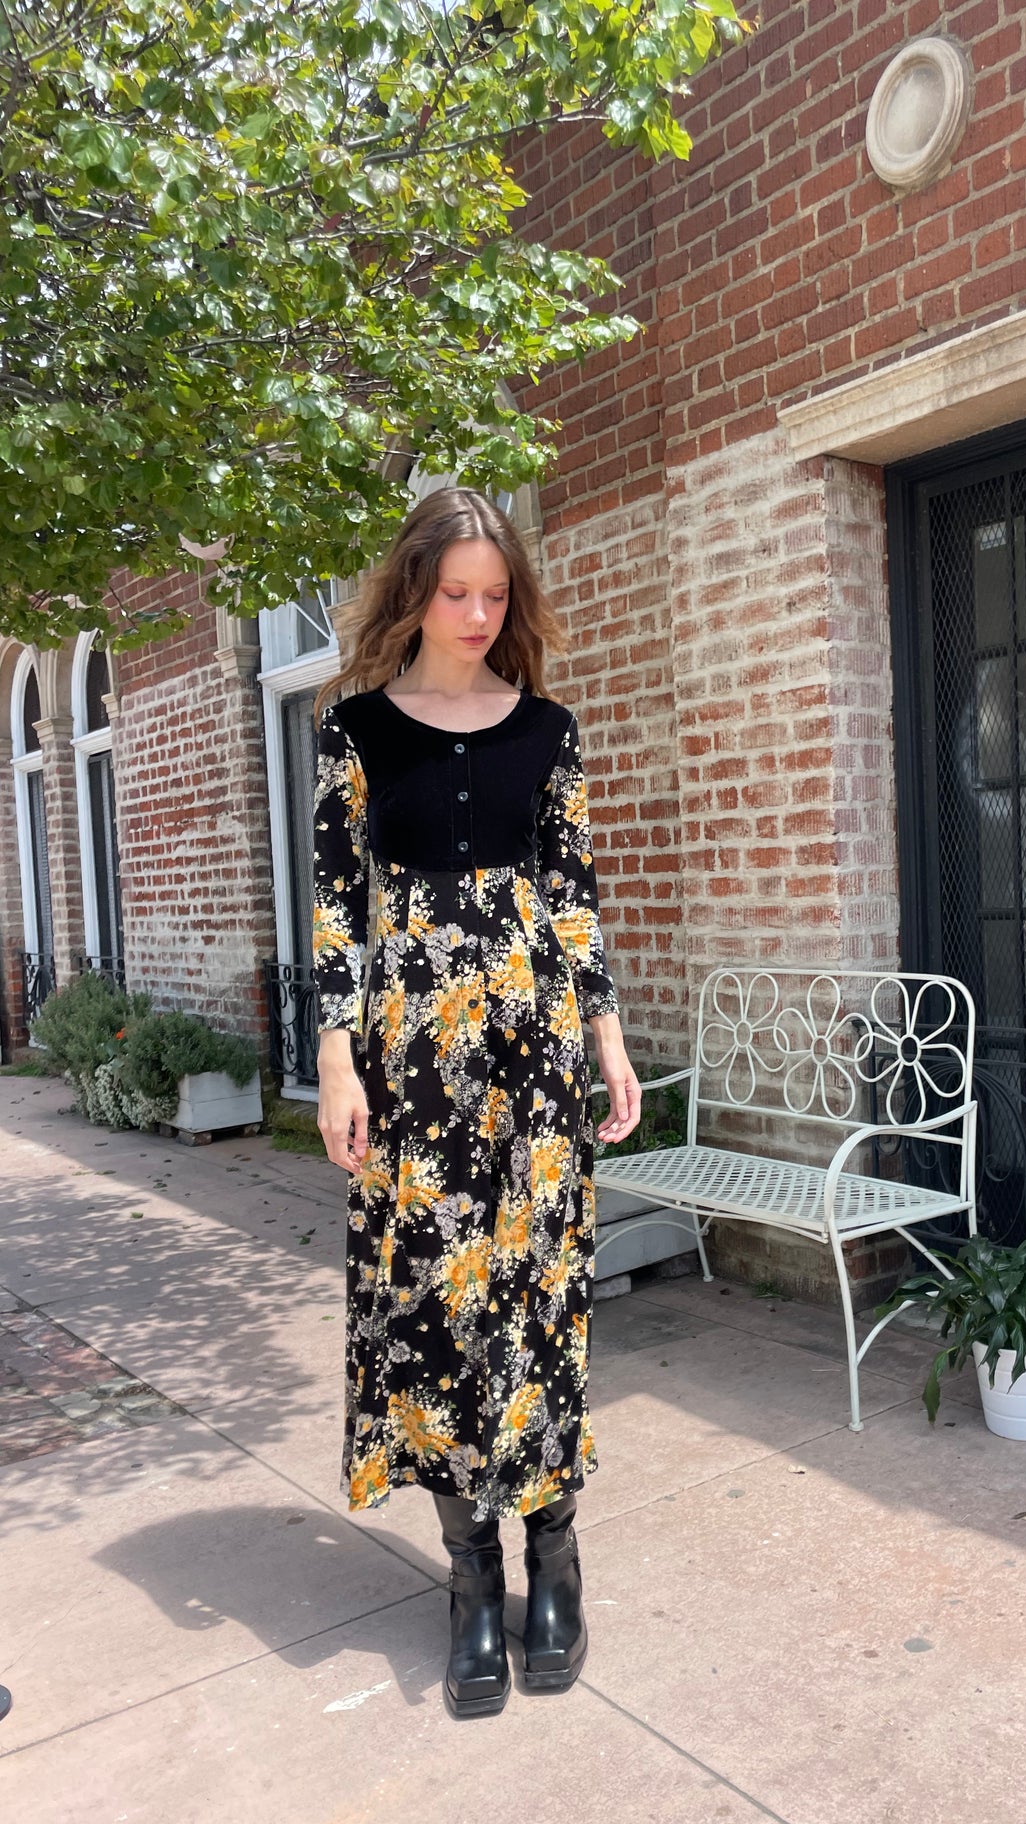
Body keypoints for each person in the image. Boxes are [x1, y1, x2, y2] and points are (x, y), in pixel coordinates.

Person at [310, 487, 640, 1718]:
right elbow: (334, 908)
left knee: (540, 1293)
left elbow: (573, 895)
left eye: (495, 593)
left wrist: (608, 1039)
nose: (477, 613)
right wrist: (335, 1062)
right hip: (411, 1061)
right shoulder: (354, 731)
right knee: (438, 1305)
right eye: (455, 591)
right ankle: (469, 1578)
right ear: (414, 590)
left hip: (535, 1050)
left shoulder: (547, 729)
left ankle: (555, 1559)